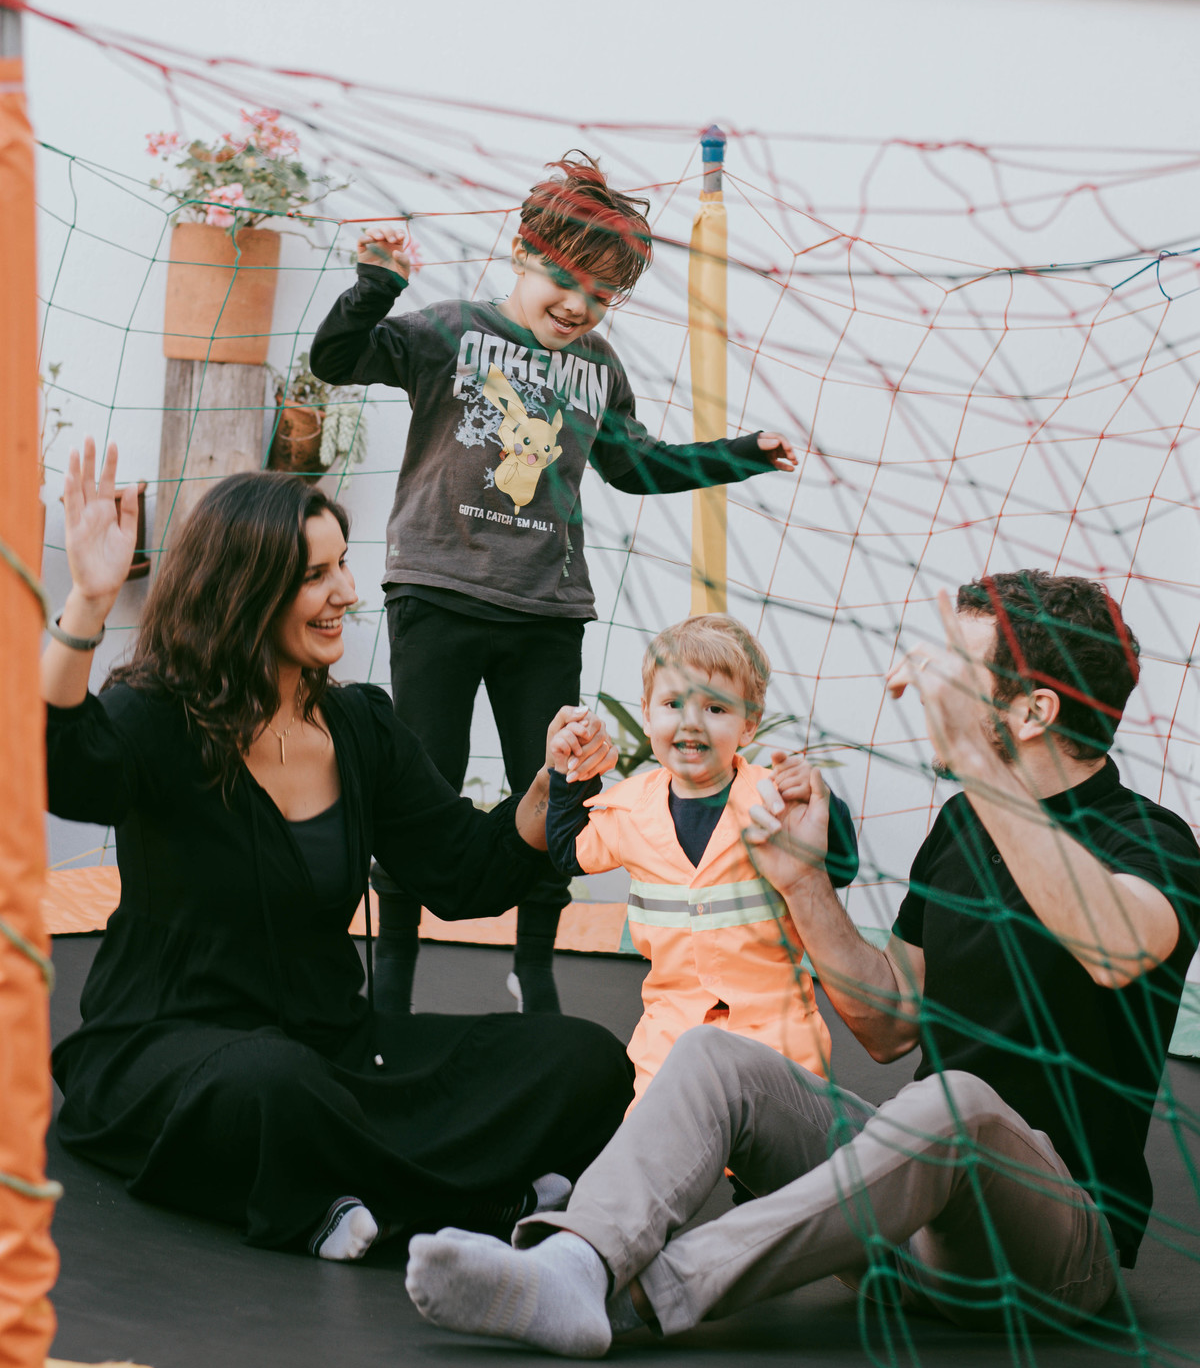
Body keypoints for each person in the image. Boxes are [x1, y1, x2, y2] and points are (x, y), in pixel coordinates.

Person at [404, 570, 1200, 1355]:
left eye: (959, 670)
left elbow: (1116, 946)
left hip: (1049, 1253)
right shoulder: (965, 825)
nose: (921, 685)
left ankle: (629, 1295)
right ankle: (577, 1260)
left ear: (1032, 710)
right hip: (900, 1229)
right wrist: (802, 881)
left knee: (956, 1103)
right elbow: (889, 1024)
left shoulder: (1151, 841)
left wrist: (982, 767)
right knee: (713, 1055)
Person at [45, 441, 631, 1261]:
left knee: (585, 1061)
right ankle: (471, 1198)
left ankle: (357, 1197)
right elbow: (59, 765)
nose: (347, 593)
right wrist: (88, 599)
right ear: (245, 590)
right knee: (273, 1087)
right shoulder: (160, 716)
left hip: (338, 1048)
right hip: (171, 1049)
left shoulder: (359, 727)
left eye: (344, 565)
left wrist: (547, 788)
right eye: (316, 575)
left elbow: (463, 871)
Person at [309, 153, 800, 1017]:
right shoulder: (450, 331)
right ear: (523, 254)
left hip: (546, 610)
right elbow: (337, 358)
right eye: (566, 281)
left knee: (559, 782)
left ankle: (532, 969)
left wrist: (739, 455)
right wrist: (375, 286)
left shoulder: (598, 367)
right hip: (437, 593)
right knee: (423, 783)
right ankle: (394, 975)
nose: (579, 306)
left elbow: (636, 467)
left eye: (601, 296)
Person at [544, 614, 858, 1103]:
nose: (691, 721)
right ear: (647, 714)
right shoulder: (629, 810)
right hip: (670, 1034)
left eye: (715, 707)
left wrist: (822, 803)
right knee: (654, 1139)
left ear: (749, 724)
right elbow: (568, 852)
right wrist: (569, 775)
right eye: (673, 704)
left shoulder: (774, 799)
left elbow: (842, 867)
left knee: (775, 1143)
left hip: (776, 1033)